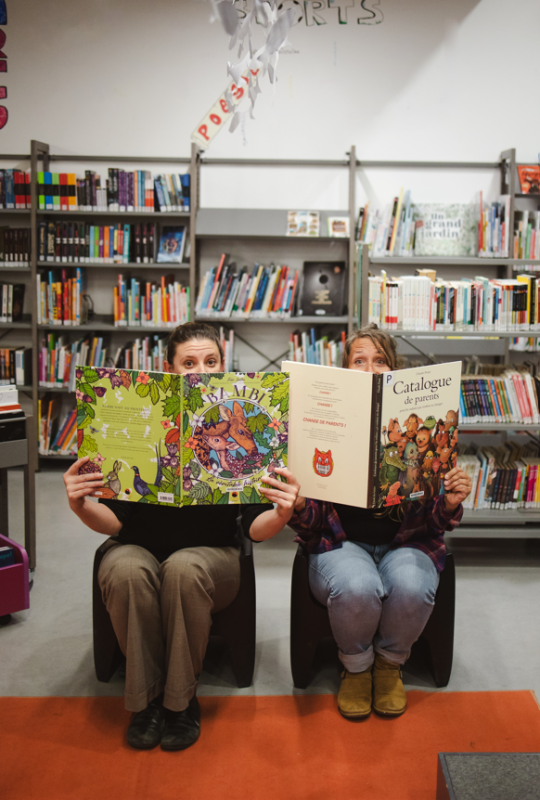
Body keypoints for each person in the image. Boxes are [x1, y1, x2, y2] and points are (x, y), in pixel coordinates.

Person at [63, 322, 296, 752]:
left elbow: (254, 530)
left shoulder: (243, 425)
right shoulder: (141, 419)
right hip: (139, 546)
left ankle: (180, 703)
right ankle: (145, 702)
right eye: (189, 363)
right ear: (169, 369)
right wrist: (81, 505)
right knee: (126, 568)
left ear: (224, 366)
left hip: (214, 558)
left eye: (211, 362)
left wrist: (282, 512)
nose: (201, 371)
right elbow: (115, 522)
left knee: (183, 569)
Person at [251, 324, 471, 721]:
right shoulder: (322, 420)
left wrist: (450, 502)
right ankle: (356, 667)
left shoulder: (416, 430)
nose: (369, 369)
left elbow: (434, 523)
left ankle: (389, 664)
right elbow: (312, 523)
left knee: (413, 585)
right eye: (359, 361)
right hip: (339, 545)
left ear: (392, 369)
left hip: (407, 544)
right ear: (346, 369)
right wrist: (300, 504)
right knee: (357, 586)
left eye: (380, 360)